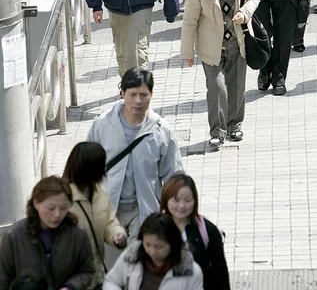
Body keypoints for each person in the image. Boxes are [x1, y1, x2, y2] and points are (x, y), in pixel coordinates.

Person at [87, 67, 184, 241]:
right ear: (122, 94)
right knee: (111, 266)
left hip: (144, 210)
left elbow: (174, 177)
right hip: (107, 211)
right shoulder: (102, 125)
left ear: (151, 94)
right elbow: (86, 167)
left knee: (141, 262)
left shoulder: (161, 131)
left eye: (143, 95)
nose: (138, 101)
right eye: (132, 94)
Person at [181, 0, 260, 147]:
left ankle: (235, 126)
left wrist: (245, 12)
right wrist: (187, 51)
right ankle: (217, 131)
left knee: (236, 86)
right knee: (216, 88)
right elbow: (190, 19)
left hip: (238, 41)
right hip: (210, 45)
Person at [0, 176, 95, 290]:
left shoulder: (77, 234)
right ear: (36, 203)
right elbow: (3, 280)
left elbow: (87, 271)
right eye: (51, 208)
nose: (57, 214)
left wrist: (70, 287)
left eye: (64, 208)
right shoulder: (13, 236)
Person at [62, 142, 128, 288]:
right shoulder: (62, 200)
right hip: (72, 282)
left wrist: (117, 235)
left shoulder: (100, 193)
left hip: (97, 276)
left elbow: (109, 222)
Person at [160, 174, 230, 290]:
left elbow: (220, 273)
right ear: (166, 200)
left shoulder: (208, 231)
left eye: (187, 200)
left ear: (195, 200)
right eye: (176, 200)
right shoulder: (155, 229)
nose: (182, 206)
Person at [103, 214, 203, 290]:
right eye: (147, 245)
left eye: (159, 247)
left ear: (172, 243)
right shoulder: (131, 257)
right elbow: (111, 281)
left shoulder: (191, 271)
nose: (152, 251)